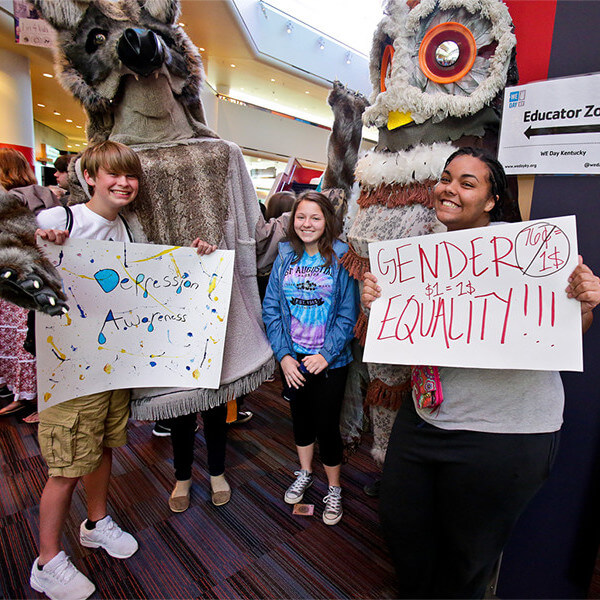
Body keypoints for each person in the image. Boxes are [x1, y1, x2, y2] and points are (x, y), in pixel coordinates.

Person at [361, 147, 600, 598]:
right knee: (402, 527)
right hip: (429, 416)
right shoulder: (418, 254)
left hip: (506, 434)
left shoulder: (531, 249)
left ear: (492, 200)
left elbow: (569, 327)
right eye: (446, 178)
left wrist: (584, 302)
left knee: (468, 559)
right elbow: (406, 330)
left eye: (467, 183)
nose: (449, 189)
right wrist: (375, 299)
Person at [29, 141, 142, 600]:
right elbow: (18, 265)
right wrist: (41, 244)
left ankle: (96, 522)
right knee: (65, 463)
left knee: (105, 444)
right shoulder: (62, 219)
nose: (122, 183)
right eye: (111, 174)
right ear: (89, 176)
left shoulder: (129, 229)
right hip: (68, 365)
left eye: (130, 175)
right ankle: (46, 560)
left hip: (111, 360)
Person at [262, 190, 359, 525]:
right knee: (301, 420)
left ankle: (334, 488)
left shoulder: (343, 257)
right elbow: (272, 309)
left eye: (315, 217)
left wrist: (326, 354)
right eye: (300, 217)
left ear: (328, 221)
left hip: (330, 361)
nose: (307, 224)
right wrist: (284, 356)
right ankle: (304, 472)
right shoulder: (286, 255)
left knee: (327, 427)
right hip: (295, 358)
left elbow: (349, 314)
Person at [0, 148, 61, 420]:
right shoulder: (46, 195)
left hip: (21, 278)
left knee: (27, 343)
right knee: (41, 341)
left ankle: (35, 400)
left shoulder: (10, 201)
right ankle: (34, 398)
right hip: (45, 276)